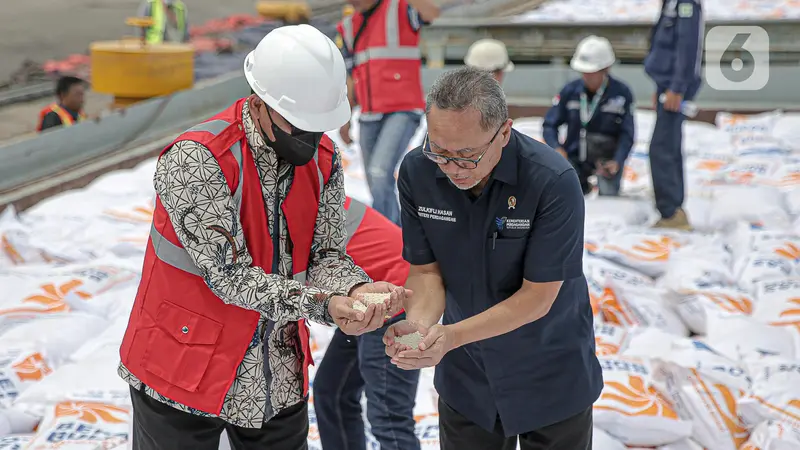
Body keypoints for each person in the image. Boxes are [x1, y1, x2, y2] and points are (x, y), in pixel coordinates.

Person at [118, 25, 410, 450]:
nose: (309, 139)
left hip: (274, 374)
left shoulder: (322, 160)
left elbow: (326, 254)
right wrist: (323, 305)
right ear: (259, 105)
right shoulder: (198, 160)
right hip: (182, 367)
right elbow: (230, 277)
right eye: (299, 125)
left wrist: (356, 288)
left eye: (319, 126)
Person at [384, 66, 601, 450]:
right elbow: (425, 270)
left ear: (504, 132)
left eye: (467, 156)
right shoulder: (418, 172)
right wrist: (418, 329)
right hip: (468, 375)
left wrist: (450, 336)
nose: (451, 168)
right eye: (440, 151)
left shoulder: (551, 181)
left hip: (549, 371)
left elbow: (538, 296)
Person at [313, 196, 420, 450]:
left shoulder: (296, 203)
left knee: (389, 416)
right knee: (332, 392)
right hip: (365, 297)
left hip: (403, 301)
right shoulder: (309, 192)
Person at [334, 0, 440, 225]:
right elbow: (352, 76)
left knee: (381, 173)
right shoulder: (349, 26)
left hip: (402, 110)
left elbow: (432, 12)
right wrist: (346, 119)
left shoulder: (401, 9)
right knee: (375, 181)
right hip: (369, 115)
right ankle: (399, 231)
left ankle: (388, 237)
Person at [542, 35, 635, 196]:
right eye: (584, 71)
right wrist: (556, 149)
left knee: (608, 201)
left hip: (606, 160)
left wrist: (618, 160)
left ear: (605, 69)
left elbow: (627, 133)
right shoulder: (570, 91)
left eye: (592, 72)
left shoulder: (621, 94)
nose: (587, 76)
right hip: (574, 159)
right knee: (566, 197)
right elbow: (550, 124)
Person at [644, 0, 703, 229]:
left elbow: (687, 46)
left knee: (662, 148)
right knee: (668, 145)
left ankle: (671, 213)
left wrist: (677, 87)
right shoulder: (672, 2)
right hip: (666, 86)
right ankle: (673, 209)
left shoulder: (686, 3)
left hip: (674, 87)